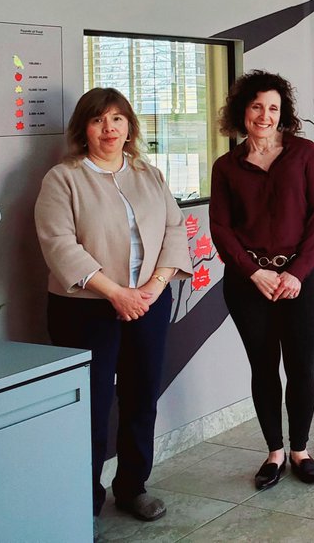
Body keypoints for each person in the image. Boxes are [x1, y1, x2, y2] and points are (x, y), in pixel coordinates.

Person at [35, 88, 191, 522]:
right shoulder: (63, 178)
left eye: (118, 119)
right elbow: (59, 244)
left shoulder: (148, 174)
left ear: (129, 127)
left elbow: (175, 230)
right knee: (91, 405)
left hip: (149, 302)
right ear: (84, 129)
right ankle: (82, 502)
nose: (110, 128)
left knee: (142, 398)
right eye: (99, 120)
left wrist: (153, 289)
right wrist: (116, 292)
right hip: (85, 307)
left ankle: (132, 487)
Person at [209, 70, 314, 490]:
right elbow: (221, 228)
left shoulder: (304, 153)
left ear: (284, 114)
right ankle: (274, 452)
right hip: (248, 284)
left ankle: (301, 450)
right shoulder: (226, 166)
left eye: (273, 108)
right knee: (263, 368)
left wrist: (296, 273)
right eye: (257, 106)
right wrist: (254, 272)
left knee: (302, 369)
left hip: (300, 281)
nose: (265, 115)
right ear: (243, 111)